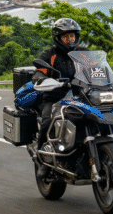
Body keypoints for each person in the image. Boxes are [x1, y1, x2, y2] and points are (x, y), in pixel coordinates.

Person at [32, 18, 88, 158]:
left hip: (81, 96)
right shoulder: (50, 54)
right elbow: (39, 71)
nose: (70, 40)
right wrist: (41, 79)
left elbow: (97, 68)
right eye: (66, 36)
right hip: (55, 98)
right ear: (58, 38)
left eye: (72, 36)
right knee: (47, 122)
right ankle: (41, 156)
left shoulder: (84, 52)